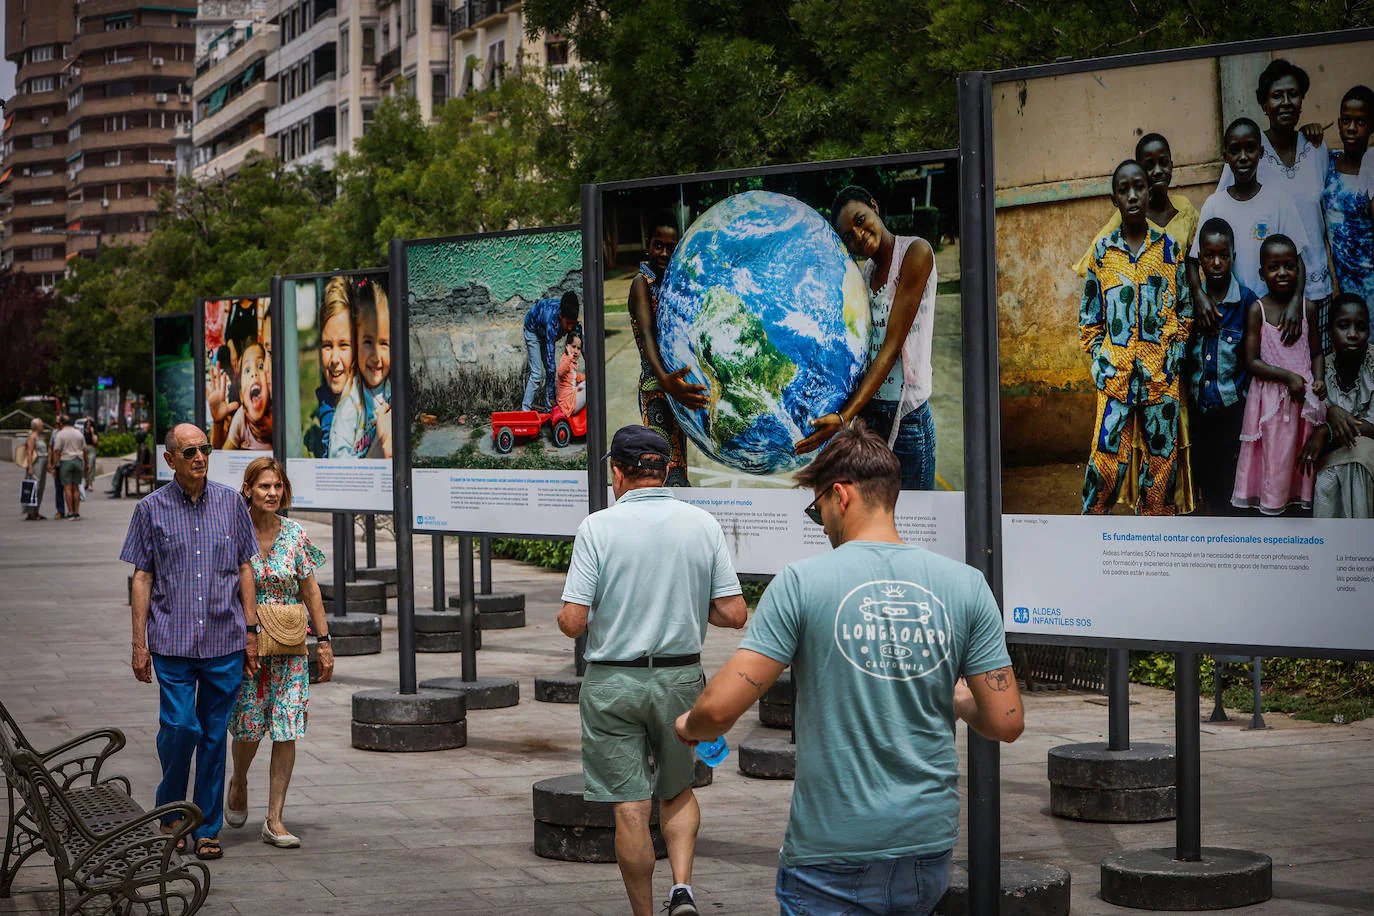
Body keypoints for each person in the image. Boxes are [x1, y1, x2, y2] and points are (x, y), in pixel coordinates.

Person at [674, 422, 1022, 916]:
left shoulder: (801, 583)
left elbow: (720, 708)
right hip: (926, 848)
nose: (822, 523)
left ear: (841, 496)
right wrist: (961, 699)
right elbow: (1007, 721)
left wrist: (690, 725)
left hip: (830, 849)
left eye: (817, 510)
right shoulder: (966, 585)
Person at [557, 425, 747, 916]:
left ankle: (643, 913)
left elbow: (572, 622)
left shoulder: (596, 528)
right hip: (680, 680)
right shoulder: (702, 524)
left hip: (613, 683)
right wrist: (686, 602)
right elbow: (734, 614)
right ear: (666, 470)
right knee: (678, 791)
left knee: (629, 807)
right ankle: (681, 888)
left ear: (617, 474)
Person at [119, 423, 261, 862]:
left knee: (215, 737)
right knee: (181, 728)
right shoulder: (150, 509)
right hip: (172, 640)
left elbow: (244, 569)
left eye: (205, 449)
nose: (199, 457)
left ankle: (205, 826)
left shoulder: (232, 504)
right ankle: (169, 811)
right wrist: (138, 642)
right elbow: (141, 576)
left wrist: (252, 633)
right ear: (170, 460)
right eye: (189, 452)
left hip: (224, 640)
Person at [796, 186, 940, 491]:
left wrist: (843, 416)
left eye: (860, 221)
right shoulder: (865, 273)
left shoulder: (916, 253)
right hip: (872, 415)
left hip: (908, 420)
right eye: (849, 235)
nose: (858, 235)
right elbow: (858, 349)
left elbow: (890, 347)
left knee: (915, 523)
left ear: (874, 206)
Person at [225, 458, 334, 848]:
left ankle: (275, 819)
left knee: (287, 728)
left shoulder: (295, 534)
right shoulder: (235, 533)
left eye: (277, 486)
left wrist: (323, 642)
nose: (272, 493)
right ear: (248, 489)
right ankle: (239, 779)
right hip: (249, 648)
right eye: (264, 486)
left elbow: (311, 591)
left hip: (289, 647)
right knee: (249, 727)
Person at [1080, 161, 1193, 515]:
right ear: (1114, 198)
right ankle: (1093, 536)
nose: (1133, 195)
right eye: (1124, 189)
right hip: (1116, 383)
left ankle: (1154, 542)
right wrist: (1103, 364)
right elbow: (1089, 321)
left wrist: (1172, 359)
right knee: (1106, 466)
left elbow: (1185, 311)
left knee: (1161, 467)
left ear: (1148, 191)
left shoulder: (1170, 250)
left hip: (1160, 382)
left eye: (1139, 187)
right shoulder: (1102, 253)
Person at [1217, 59, 1334, 348]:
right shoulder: (1250, 152)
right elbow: (1223, 215)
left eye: (1292, 95)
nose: (1285, 102)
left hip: (1316, 286)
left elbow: (1326, 215)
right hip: (1264, 293)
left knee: (1314, 374)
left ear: (1302, 100)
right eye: (1276, 96)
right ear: (1264, 104)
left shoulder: (1317, 149)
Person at [1193, 118, 1314, 344]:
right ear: (1225, 156)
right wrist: (1199, 295)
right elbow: (1193, 260)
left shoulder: (1279, 202)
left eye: (1250, 148)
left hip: (1273, 317)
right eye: (1235, 150)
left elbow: (1298, 259)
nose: (1243, 157)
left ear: (1260, 151)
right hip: (1228, 318)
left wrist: (1297, 300)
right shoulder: (1214, 204)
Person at [1232, 235, 1325, 515]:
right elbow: (1251, 361)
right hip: (1270, 404)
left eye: (1288, 266)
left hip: (1303, 403)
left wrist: (1318, 380)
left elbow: (1317, 353)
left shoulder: (1308, 309)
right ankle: (1272, 508)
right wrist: (1287, 377)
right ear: (1262, 273)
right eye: (1274, 267)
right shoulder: (1257, 310)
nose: (1282, 273)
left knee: (1300, 456)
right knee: (1274, 457)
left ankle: (1298, 504)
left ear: (1298, 269)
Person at [1187, 219, 1259, 515]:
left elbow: (1252, 361)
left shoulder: (1246, 303)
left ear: (1233, 257)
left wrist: (1242, 397)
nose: (1217, 263)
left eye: (1224, 255)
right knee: (1204, 468)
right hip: (1198, 406)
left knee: (1231, 470)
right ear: (1200, 259)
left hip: (1232, 407)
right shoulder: (1191, 301)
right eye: (1209, 256)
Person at [628, 215, 705, 486]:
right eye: (658, 245)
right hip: (657, 389)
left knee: (678, 462)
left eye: (671, 247)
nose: (664, 253)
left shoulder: (669, 283)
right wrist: (666, 383)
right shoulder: (642, 283)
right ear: (648, 246)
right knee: (663, 468)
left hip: (674, 389)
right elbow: (648, 336)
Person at [1073, 132, 1202, 277]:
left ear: (1171, 165)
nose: (1158, 171)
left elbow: (1197, 255)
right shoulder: (1127, 216)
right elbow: (1089, 264)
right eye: (1149, 165)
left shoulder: (1184, 207)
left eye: (1163, 162)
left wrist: (1197, 292)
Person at [1301, 294, 1374, 517]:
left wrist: (1328, 429)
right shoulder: (1321, 372)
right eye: (1343, 326)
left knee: (1359, 456)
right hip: (1332, 459)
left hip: (1368, 459)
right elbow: (1312, 440)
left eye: (1360, 327)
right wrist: (1329, 418)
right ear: (1330, 332)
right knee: (1327, 479)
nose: (1352, 334)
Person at [1322, 86, 1374, 313]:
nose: (1352, 128)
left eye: (1361, 122)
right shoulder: (1327, 163)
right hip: (1342, 286)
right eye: (1346, 120)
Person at [304, 276, 356, 459]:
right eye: (327, 345)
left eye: (344, 345)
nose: (334, 359)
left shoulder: (371, 407)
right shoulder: (326, 397)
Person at [522, 291, 580, 412]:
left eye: (572, 324)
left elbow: (580, 341)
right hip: (532, 330)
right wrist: (552, 396)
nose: (570, 328)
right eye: (568, 323)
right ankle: (525, 411)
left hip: (543, 331)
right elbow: (550, 363)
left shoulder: (570, 319)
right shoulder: (552, 323)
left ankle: (549, 410)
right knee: (537, 374)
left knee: (550, 370)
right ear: (560, 317)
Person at [356, 278, 392, 458]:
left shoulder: (394, 389)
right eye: (368, 342)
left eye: (384, 343)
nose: (376, 356)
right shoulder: (350, 406)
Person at [222, 343, 273, 451]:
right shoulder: (241, 418)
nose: (254, 373)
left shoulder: (277, 413)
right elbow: (224, 454)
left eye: (260, 366)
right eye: (247, 370)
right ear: (241, 396)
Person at [52, 415, 88, 521]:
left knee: (67, 488)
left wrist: (54, 466)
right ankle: (77, 512)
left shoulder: (60, 434)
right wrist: (87, 464)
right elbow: (85, 449)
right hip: (78, 460)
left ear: (62, 423)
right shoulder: (78, 433)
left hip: (66, 460)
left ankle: (71, 512)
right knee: (76, 487)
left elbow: (57, 451)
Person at [108, 428, 154, 498]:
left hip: (142, 470)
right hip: (139, 467)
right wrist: (131, 465)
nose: (135, 438)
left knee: (122, 470)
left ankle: (117, 491)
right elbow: (138, 462)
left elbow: (140, 463)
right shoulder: (141, 446)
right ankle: (115, 488)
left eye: (136, 437)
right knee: (121, 467)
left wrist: (132, 466)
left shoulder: (143, 448)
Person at [22, 418, 47, 520]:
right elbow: (29, 452)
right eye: (41, 424)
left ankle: (36, 510)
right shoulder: (32, 437)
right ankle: (31, 511)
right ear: (37, 426)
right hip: (36, 464)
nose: (43, 426)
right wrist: (30, 467)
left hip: (42, 464)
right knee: (34, 487)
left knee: (40, 487)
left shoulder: (40, 436)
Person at [557, 332, 587, 417]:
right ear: (567, 346)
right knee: (590, 389)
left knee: (585, 384)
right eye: (573, 347)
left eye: (579, 348)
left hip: (571, 397)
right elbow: (560, 372)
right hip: (568, 402)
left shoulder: (572, 363)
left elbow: (575, 376)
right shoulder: (565, 360)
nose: (576, 351)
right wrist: (569, 358)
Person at [80, 418, 99, 493]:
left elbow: (95, 441)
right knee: (84, 466)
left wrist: (92, 433)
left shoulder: (94, 432)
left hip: (91, 449)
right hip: (84, 449)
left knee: (90, 466)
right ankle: (86, 482)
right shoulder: (83, 432)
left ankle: (90, 483)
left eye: (89, 423)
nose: (88, 424)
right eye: (87, 423)